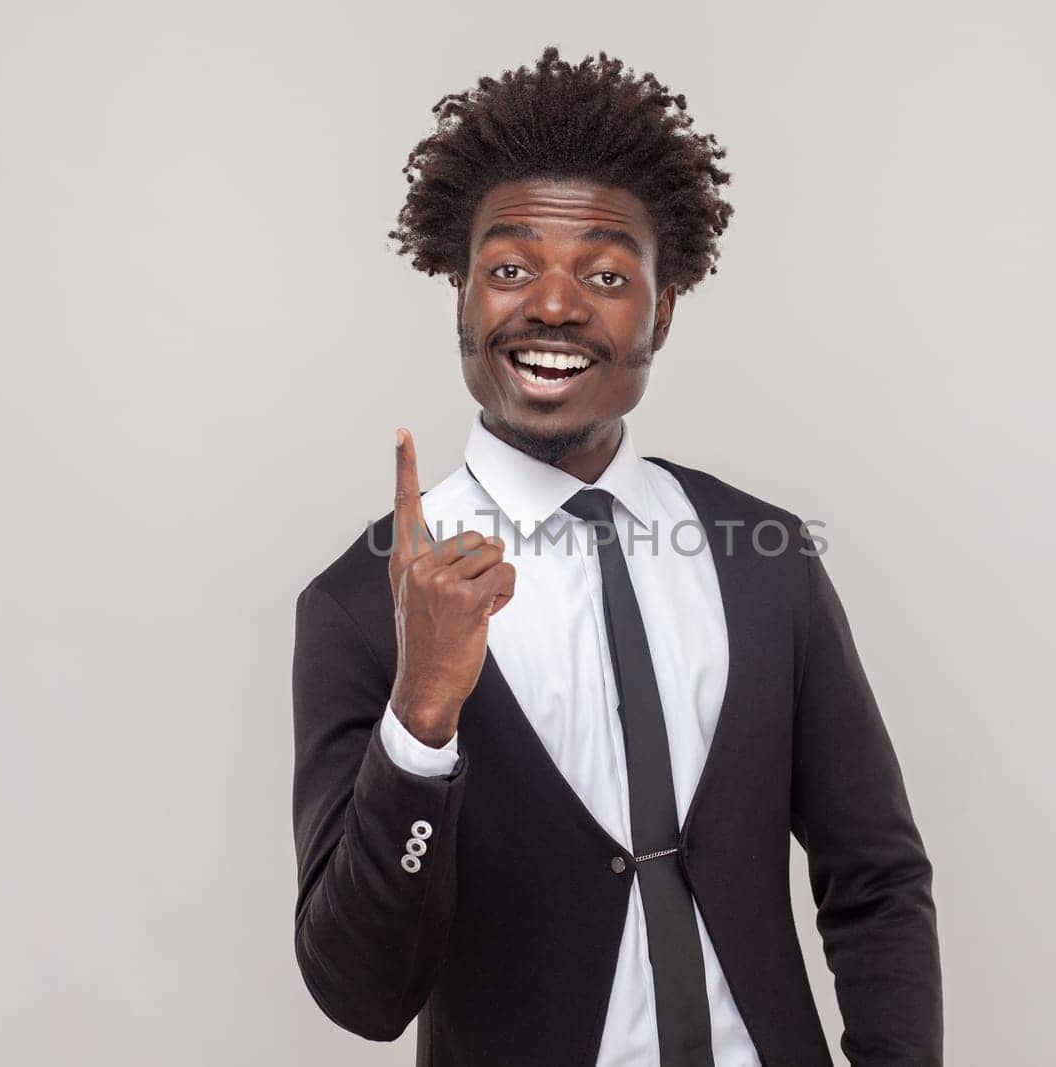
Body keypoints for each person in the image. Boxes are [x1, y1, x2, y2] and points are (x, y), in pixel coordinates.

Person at [291, 46, 942, 1066]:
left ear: (661, 309)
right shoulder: (359, 604)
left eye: (603, 274)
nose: (552, 306)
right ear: (461, 295)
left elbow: (876, 876)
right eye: (509, 269)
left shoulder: (761, 555)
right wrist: (419, 718)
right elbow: (361, 993)